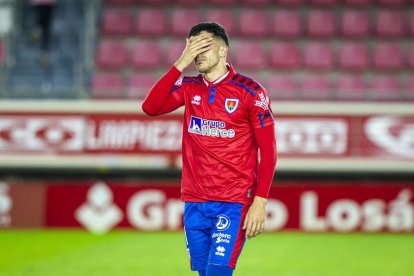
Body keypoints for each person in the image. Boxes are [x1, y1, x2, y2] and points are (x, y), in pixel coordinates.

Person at [142, 22, 277, 276]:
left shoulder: (250, 91)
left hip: (233, 201)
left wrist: (260, 201)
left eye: (204, 45)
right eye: (193, 47)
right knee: (204, 273)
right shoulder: (189, 86)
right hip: (194, 200)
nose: (198, 53)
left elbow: (269, 151)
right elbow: (150, 107)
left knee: (217, 273)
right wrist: (180, 64)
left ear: (223, 50)